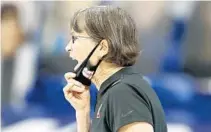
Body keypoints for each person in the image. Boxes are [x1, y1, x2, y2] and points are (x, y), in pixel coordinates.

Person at [63, 6, 167, 132]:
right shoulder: (115, 89)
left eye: (75, 38)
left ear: (103, 47)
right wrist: (82, 112)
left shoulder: (123, 93)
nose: (68, 47)